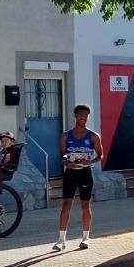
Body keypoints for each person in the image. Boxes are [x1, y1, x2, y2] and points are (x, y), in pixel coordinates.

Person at [56, 104, 103, 251]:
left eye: (86, 115)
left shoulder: (93, 136)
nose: (83, 117)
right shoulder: (65, 135)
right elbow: (62, 154)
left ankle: (85, 238)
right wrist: (66, 162)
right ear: (75, 116)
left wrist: (90, 161)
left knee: (85, 206)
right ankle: (61, 240)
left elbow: (101, 155)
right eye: (80, 114)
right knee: (66, 206)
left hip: (85, 173)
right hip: (70, 173)